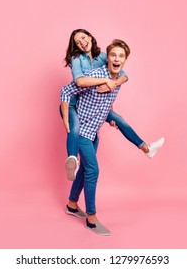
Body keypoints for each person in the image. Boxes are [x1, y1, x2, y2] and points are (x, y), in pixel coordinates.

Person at [61, 39, 149, 235]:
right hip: (82, 131)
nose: (116, 59)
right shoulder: (96, 74)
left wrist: (109, 117)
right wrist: (67, 120)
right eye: (113, 55)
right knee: (93, 171)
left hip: (94, 132)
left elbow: (106, 102)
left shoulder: (118, 79)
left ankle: (72, 204)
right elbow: (67, 90)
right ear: (106, 57)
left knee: (85, 170)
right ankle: (91, 219)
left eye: (121, 56)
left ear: (125, 60)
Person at [61, 29, 164, 181]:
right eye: (77, 42)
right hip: (74, 104)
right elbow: (80, 81)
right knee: (74, 128)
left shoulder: (103, 56)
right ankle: (72, 160)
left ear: (90, 36)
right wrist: (105, 81)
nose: (82, 42)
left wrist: (113, 85)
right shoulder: (77, 59)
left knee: (119, 119)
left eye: (83, 37)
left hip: (94, 105)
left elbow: (123, 74)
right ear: (75, 46)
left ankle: (146, 148)